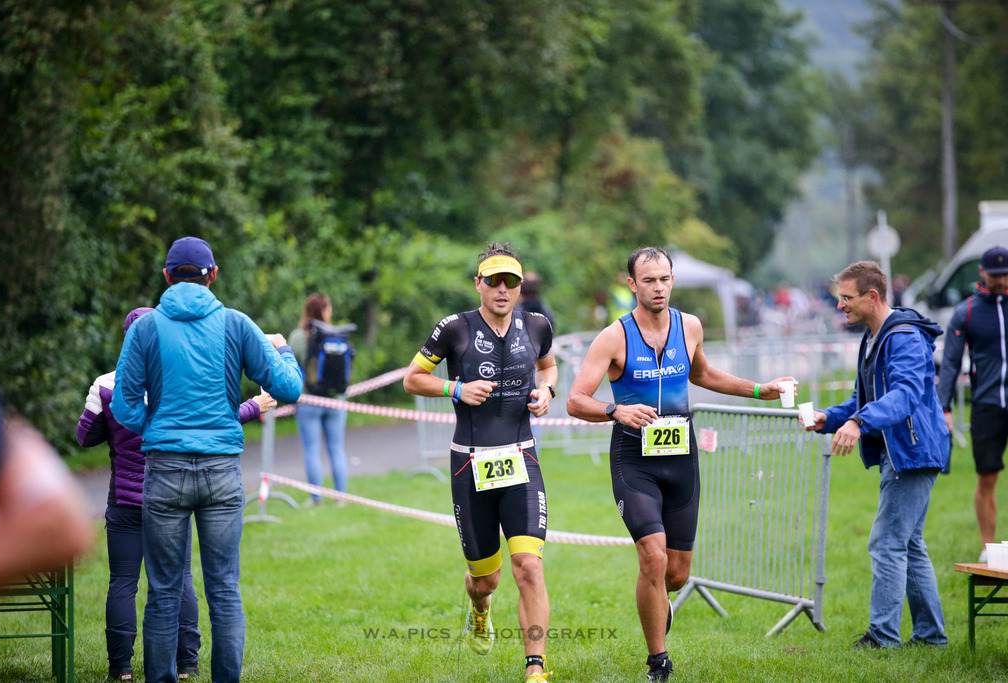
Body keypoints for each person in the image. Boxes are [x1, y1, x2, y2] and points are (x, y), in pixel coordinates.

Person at [565, 247, 793, 681]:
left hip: (680, 456)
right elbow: (576, 400)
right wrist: (616, 411)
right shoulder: (613, 337)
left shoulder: (689, 326)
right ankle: (659, 661)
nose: (658, 288)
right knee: (651, 559)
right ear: (632, 284)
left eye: (665, 279)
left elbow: (702, 374)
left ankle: (659, 599)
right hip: (634, 459)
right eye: (648, 280)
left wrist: (759, 388)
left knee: (675, 574)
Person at [111, 236, 304, 683]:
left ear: (166, 276)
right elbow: (290, 389)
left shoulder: (145, 328)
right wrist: (284, 349)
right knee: (224, 590)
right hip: (221, 474)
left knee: (162, 592)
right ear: (213, 275)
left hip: (163, 473)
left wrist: (157, 429)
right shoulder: (235, 325)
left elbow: (123, 406)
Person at [77, 307, 276, 681]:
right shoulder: (180, 378)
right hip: (170, 497)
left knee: (122, 582)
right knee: (179, 579)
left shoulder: (106, 384)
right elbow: (213, 421)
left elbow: (84, 437)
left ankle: (120, 668)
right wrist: (254, 405)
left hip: (124, 501)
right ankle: (187, 664)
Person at [403, 243, 557, 683]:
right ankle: (479, 607)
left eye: (511, 281)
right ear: (479, 285)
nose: (503, 289)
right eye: (494, 281)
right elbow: (411, 379)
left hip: (521, 457)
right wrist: (455, 389)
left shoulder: (538, 325)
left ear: (521, 285)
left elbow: (549, 369)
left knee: (528, 566)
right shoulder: (455, 328)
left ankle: (535, 669)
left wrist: (546, 392)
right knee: (486, 579)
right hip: (469, 464)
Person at [803, 260, 949, 649]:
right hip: (900, 450)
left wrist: (859, 423)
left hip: (914, 451)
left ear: (872, 296)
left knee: (886, 542)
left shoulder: (902, 337)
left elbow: (903, 396)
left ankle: (882, 637)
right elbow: (862, 398)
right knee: (908, 544)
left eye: (847, 298)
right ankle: (932, 637)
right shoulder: (872, 337)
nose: (840, 306)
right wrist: (830, 418)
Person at [0, 366, 94, 589]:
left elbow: (86, 435)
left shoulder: (106, 385)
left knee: (125, 574)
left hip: (127, 490)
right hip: (164, 477)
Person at [937, 245, 1008, 563]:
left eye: (1006, 274)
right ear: (982, 273)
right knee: (987, 476)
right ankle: (989, 549)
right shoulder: (966, 312)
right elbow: (950, 363)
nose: (1002, 280)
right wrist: (945, 408)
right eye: (995, 275)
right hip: (987, 405)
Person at [288, 293, 356, 504]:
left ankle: (316, 498)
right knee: (336, 448)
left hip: (309, 400)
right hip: (336, 401)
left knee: (311, 449)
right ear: (326, 310)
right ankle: (340, 498)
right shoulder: (337, 335)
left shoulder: (299, 336)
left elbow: (293, 366)